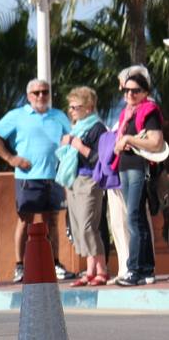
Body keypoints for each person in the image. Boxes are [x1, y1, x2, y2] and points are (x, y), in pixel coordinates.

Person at [0, 78, 73, 283]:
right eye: (36, 93)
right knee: (25, 221)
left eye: (45, 92)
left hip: (54, 176)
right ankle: (20, 267)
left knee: (52, 221)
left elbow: (71, 138)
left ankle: (56, 263)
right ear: (28, 96)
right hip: (27, 177)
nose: (41, 96)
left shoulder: (58, 116)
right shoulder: (17, 116)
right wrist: (10, 158)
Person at [110, 66, 164, 286]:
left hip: (139, 168)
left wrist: (129, 140)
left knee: (133, 217)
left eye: (135, 91)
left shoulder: (149, 111)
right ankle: (146, 269)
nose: (129, 95)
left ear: (145, 91)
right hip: (125, 167)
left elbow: (156, 142)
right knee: (137, 218)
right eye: (126, 91)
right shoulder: (126, 113)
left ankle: (135, 270)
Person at [57, 86, 109, 286]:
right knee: (78, 227)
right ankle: (90, 271)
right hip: (72, 180)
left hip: (89, 181)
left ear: (89, 107)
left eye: (76, 107)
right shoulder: (76, 128)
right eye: (70, 107)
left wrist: (79, 147)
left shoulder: (97, 128)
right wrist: (67, 146)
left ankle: (102, 269)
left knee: (88, 226)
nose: (71, 111)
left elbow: (100, 158)